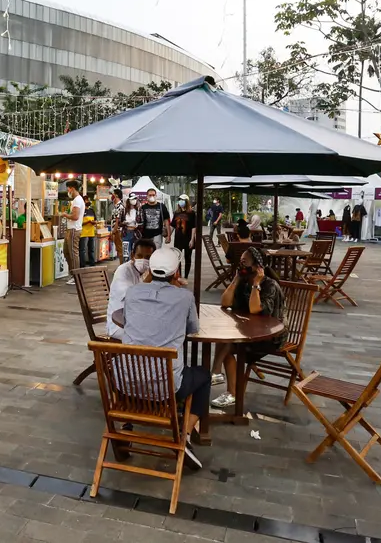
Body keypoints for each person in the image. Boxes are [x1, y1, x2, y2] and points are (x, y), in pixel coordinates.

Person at [110, 246, 205, 471]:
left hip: (125, 384)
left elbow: (131, 320)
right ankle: (186, 435)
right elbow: (193, 328)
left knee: (132, 361)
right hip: (167, 389)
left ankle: (127, 424)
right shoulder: (185, 297)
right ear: (177, 272)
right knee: (203, 376)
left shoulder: (133, 293)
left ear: (150, 270)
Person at [211, 246, 285, 405]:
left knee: (227, 345)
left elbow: (254, 308)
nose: (241, 266)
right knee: (224, 340)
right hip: (248, 331)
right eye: (240, 262)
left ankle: (222, 382)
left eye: (244, 262)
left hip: (269, 337)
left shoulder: (269, 285)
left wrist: (256, 284)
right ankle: (221, 380)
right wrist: (236, 280)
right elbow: (225, 303)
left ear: (257, 267)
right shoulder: (243, 282)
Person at [106, 238, 155, 338]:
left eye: (148, 257)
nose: (143, 260)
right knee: (152, 337)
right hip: (119, 326)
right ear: (132, 256)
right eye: (140, 256)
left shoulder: (145, 272)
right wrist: (149, 280)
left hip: (137, 322)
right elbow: (132, 296)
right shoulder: (123, 271)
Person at [58, 180, 85, 285]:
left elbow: (75, 216)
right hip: (71, 229)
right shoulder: (76, 200)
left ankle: (76, 276)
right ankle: (73, 274)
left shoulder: (77, 200)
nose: (67, 191)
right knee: (67, 252)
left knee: (73, 254)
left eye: (68, 188)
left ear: (72, 188)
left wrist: (64, 214)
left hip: (74, 230)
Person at [172, 194, 198, 276]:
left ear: (186, 202)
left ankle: (186, 276)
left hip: (188, 238)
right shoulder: (176, 213)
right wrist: (168, 235)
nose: (180, 201)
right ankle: (179, 275)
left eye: (182, 200)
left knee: (188, 258)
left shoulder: (192, 213)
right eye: (179, 200)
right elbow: (173, 225)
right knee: (177, 258)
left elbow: (194, 227)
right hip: (178, 238)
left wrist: (192, 239)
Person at [109, 188, 125, 262]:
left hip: (118, 231)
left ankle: (122, 265)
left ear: (116, 195)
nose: (111, 196)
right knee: (119, 250)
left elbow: (117, 221)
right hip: (117, 230)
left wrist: (113, 231)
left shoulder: (119, 207)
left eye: (112, 194)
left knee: (120, 250)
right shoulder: (117, 206)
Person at [122, 195, 139, 259]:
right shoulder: (124, 211)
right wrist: (123, 223)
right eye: (133, 199)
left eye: (135, 199)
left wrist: (137, 225)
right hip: (126, 233)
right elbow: (120, 222)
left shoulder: (138, 211)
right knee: (126, 254)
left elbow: (141, 222)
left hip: (135, 233)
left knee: (135, 252)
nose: (134, 200)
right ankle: (126, 267)